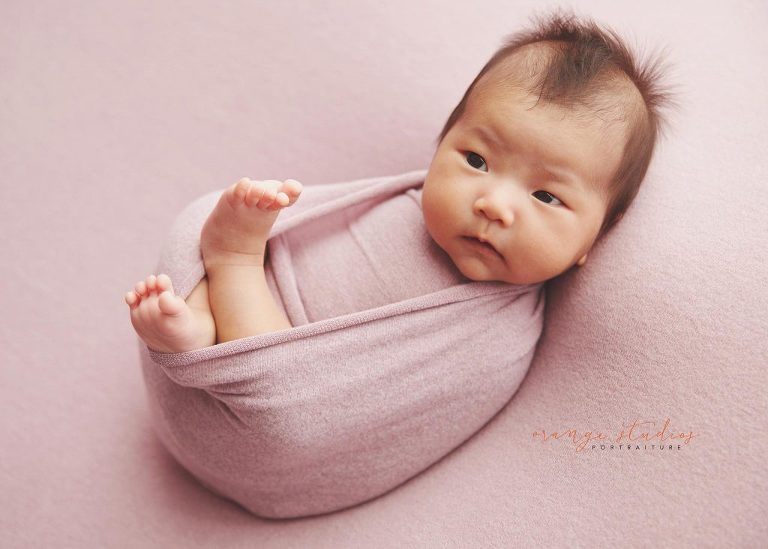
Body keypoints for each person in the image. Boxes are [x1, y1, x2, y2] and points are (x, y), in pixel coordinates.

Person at [124, 10, 671, 354]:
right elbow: (300, 244)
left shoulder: (498, 339)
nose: (493, 204)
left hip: (284, 371)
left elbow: (346, 411)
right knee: (199, 219)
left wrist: (244, 262)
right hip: (267, 299)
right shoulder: (398, 205)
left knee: (256, 318)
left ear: (596, 238)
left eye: (546, 196)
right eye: (476, 161)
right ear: (441, 146)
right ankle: (199, 325)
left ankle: (228, 273)